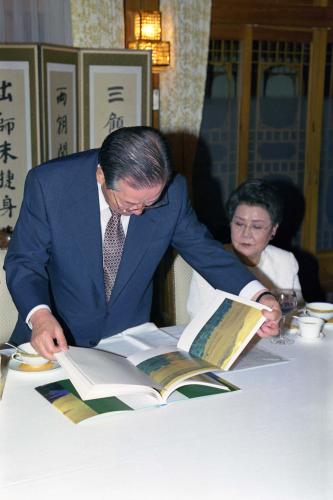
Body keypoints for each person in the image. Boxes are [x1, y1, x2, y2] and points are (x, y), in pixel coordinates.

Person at [5, 127, 280, 360]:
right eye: (129, 203)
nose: (140, 212)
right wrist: (39, 317)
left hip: (126, 345)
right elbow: (24, 261)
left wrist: (258, 296)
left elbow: (204, 251)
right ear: (101, 176)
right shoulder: (50, 185)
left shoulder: (173, 191)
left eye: (151, 202)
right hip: (52, 341)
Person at [187, 178, 303, 318]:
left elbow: (296, 315)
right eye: (239, 224)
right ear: (230, 223)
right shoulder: (210, 261)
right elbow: (198, 318)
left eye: (257, 226)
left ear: (273, 230)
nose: (246, 234)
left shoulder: (286, 261)